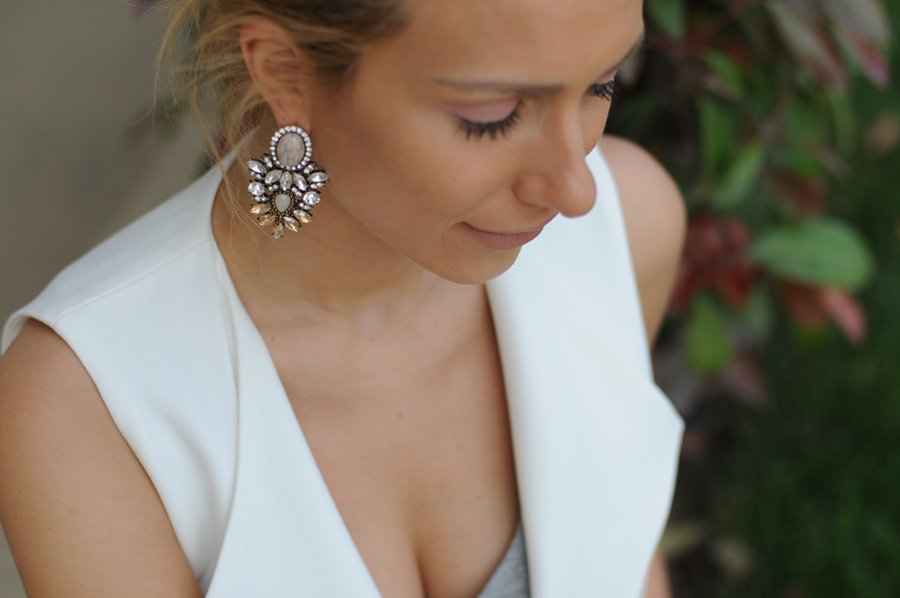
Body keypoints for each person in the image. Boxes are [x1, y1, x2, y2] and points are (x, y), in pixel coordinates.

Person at [0, 0, 686, 595]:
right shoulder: (84, 407)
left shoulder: (627, 230)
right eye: (491, 117)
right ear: (283, 72)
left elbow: (625, 558)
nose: (575, 190)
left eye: (603, 83)